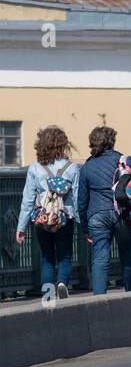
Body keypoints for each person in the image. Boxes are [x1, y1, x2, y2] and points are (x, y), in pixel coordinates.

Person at [76, 126, 131, 295]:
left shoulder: (87, 166)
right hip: (122, 213)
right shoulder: (123, 160)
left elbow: (82, 201)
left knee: (100, 259)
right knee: (127, 255)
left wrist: (85, 228)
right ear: (112, 142)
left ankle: (99, 299)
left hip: (97, 216)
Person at [17, 125, 80, 298]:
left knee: (47, 258)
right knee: (65, 256)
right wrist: (83, 223)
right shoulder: (72, 168)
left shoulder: (35, 169)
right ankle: (62, 283)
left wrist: (21, 227)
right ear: (63, 145)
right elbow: (76, 198)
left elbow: (28, 200)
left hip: (42, 218)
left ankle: (47, 295)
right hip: (64, 217)